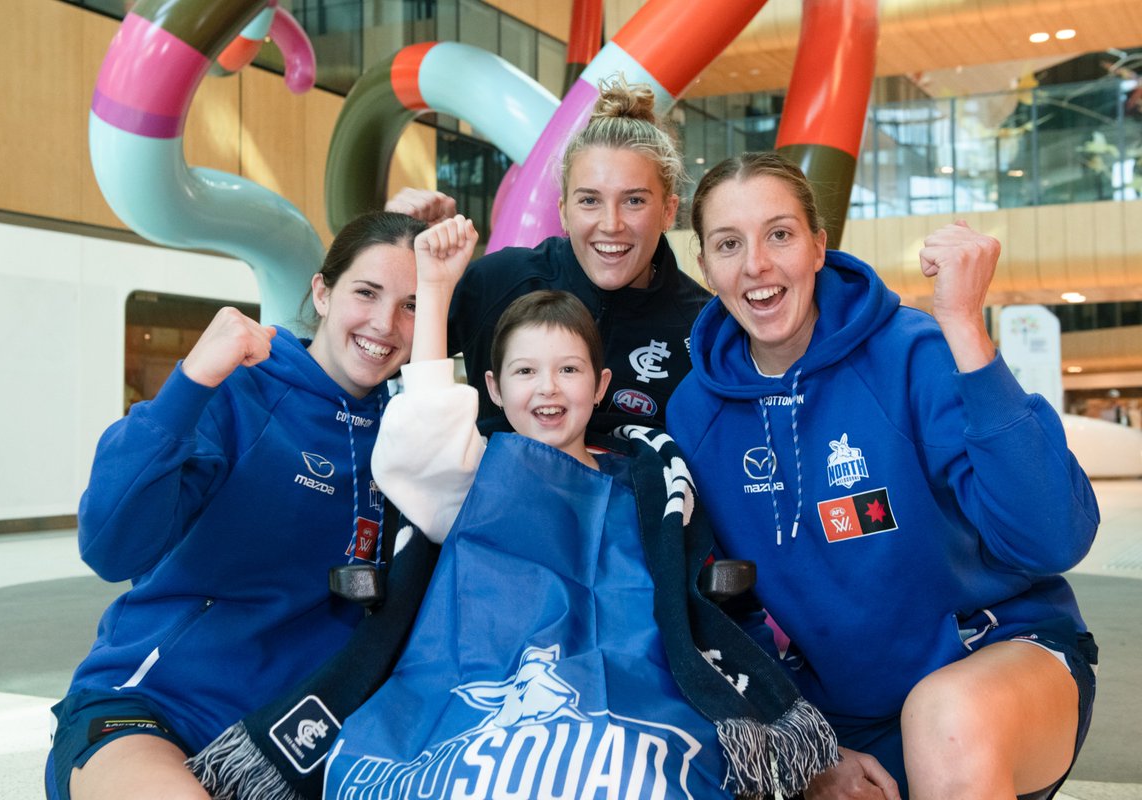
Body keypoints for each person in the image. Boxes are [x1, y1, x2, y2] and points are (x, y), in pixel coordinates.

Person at [318, 217, 839, 799]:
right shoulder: (471, 471)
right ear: (493, 388)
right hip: (476, 707)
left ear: (599, 385)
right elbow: (422, 433)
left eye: (569, 370)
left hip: (635, 707)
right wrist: (435, 290)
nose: (548, 389)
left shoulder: (649, 483)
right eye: (525, 372)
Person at [667, 152, 1100, 800]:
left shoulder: (910, 351)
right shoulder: (695, 414)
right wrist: (803, 742)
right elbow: (726, 606)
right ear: (705, 265)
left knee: (943, 721)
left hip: (996, 666)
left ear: (818, 245)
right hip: (842, 718)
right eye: (729, 243)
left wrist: (963, 327)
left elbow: (1052, 538)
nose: (756, 264)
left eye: (779, 234)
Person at [45, 211, 427, 800]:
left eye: (411, 306)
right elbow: (109, 545)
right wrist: (193, 378)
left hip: (295, 743)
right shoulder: (243, 388)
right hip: (158, 708)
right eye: (367, 292)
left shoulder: (409, 435)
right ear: (322, 293)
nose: (385, 323)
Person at [386, 75, 710, 434]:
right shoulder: (500, 281)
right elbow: (382, 351)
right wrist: (396, 251)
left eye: (634, 201)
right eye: (589, 200)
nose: (611, 224)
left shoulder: (702, 328)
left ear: (668, 210)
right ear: (563, 211)